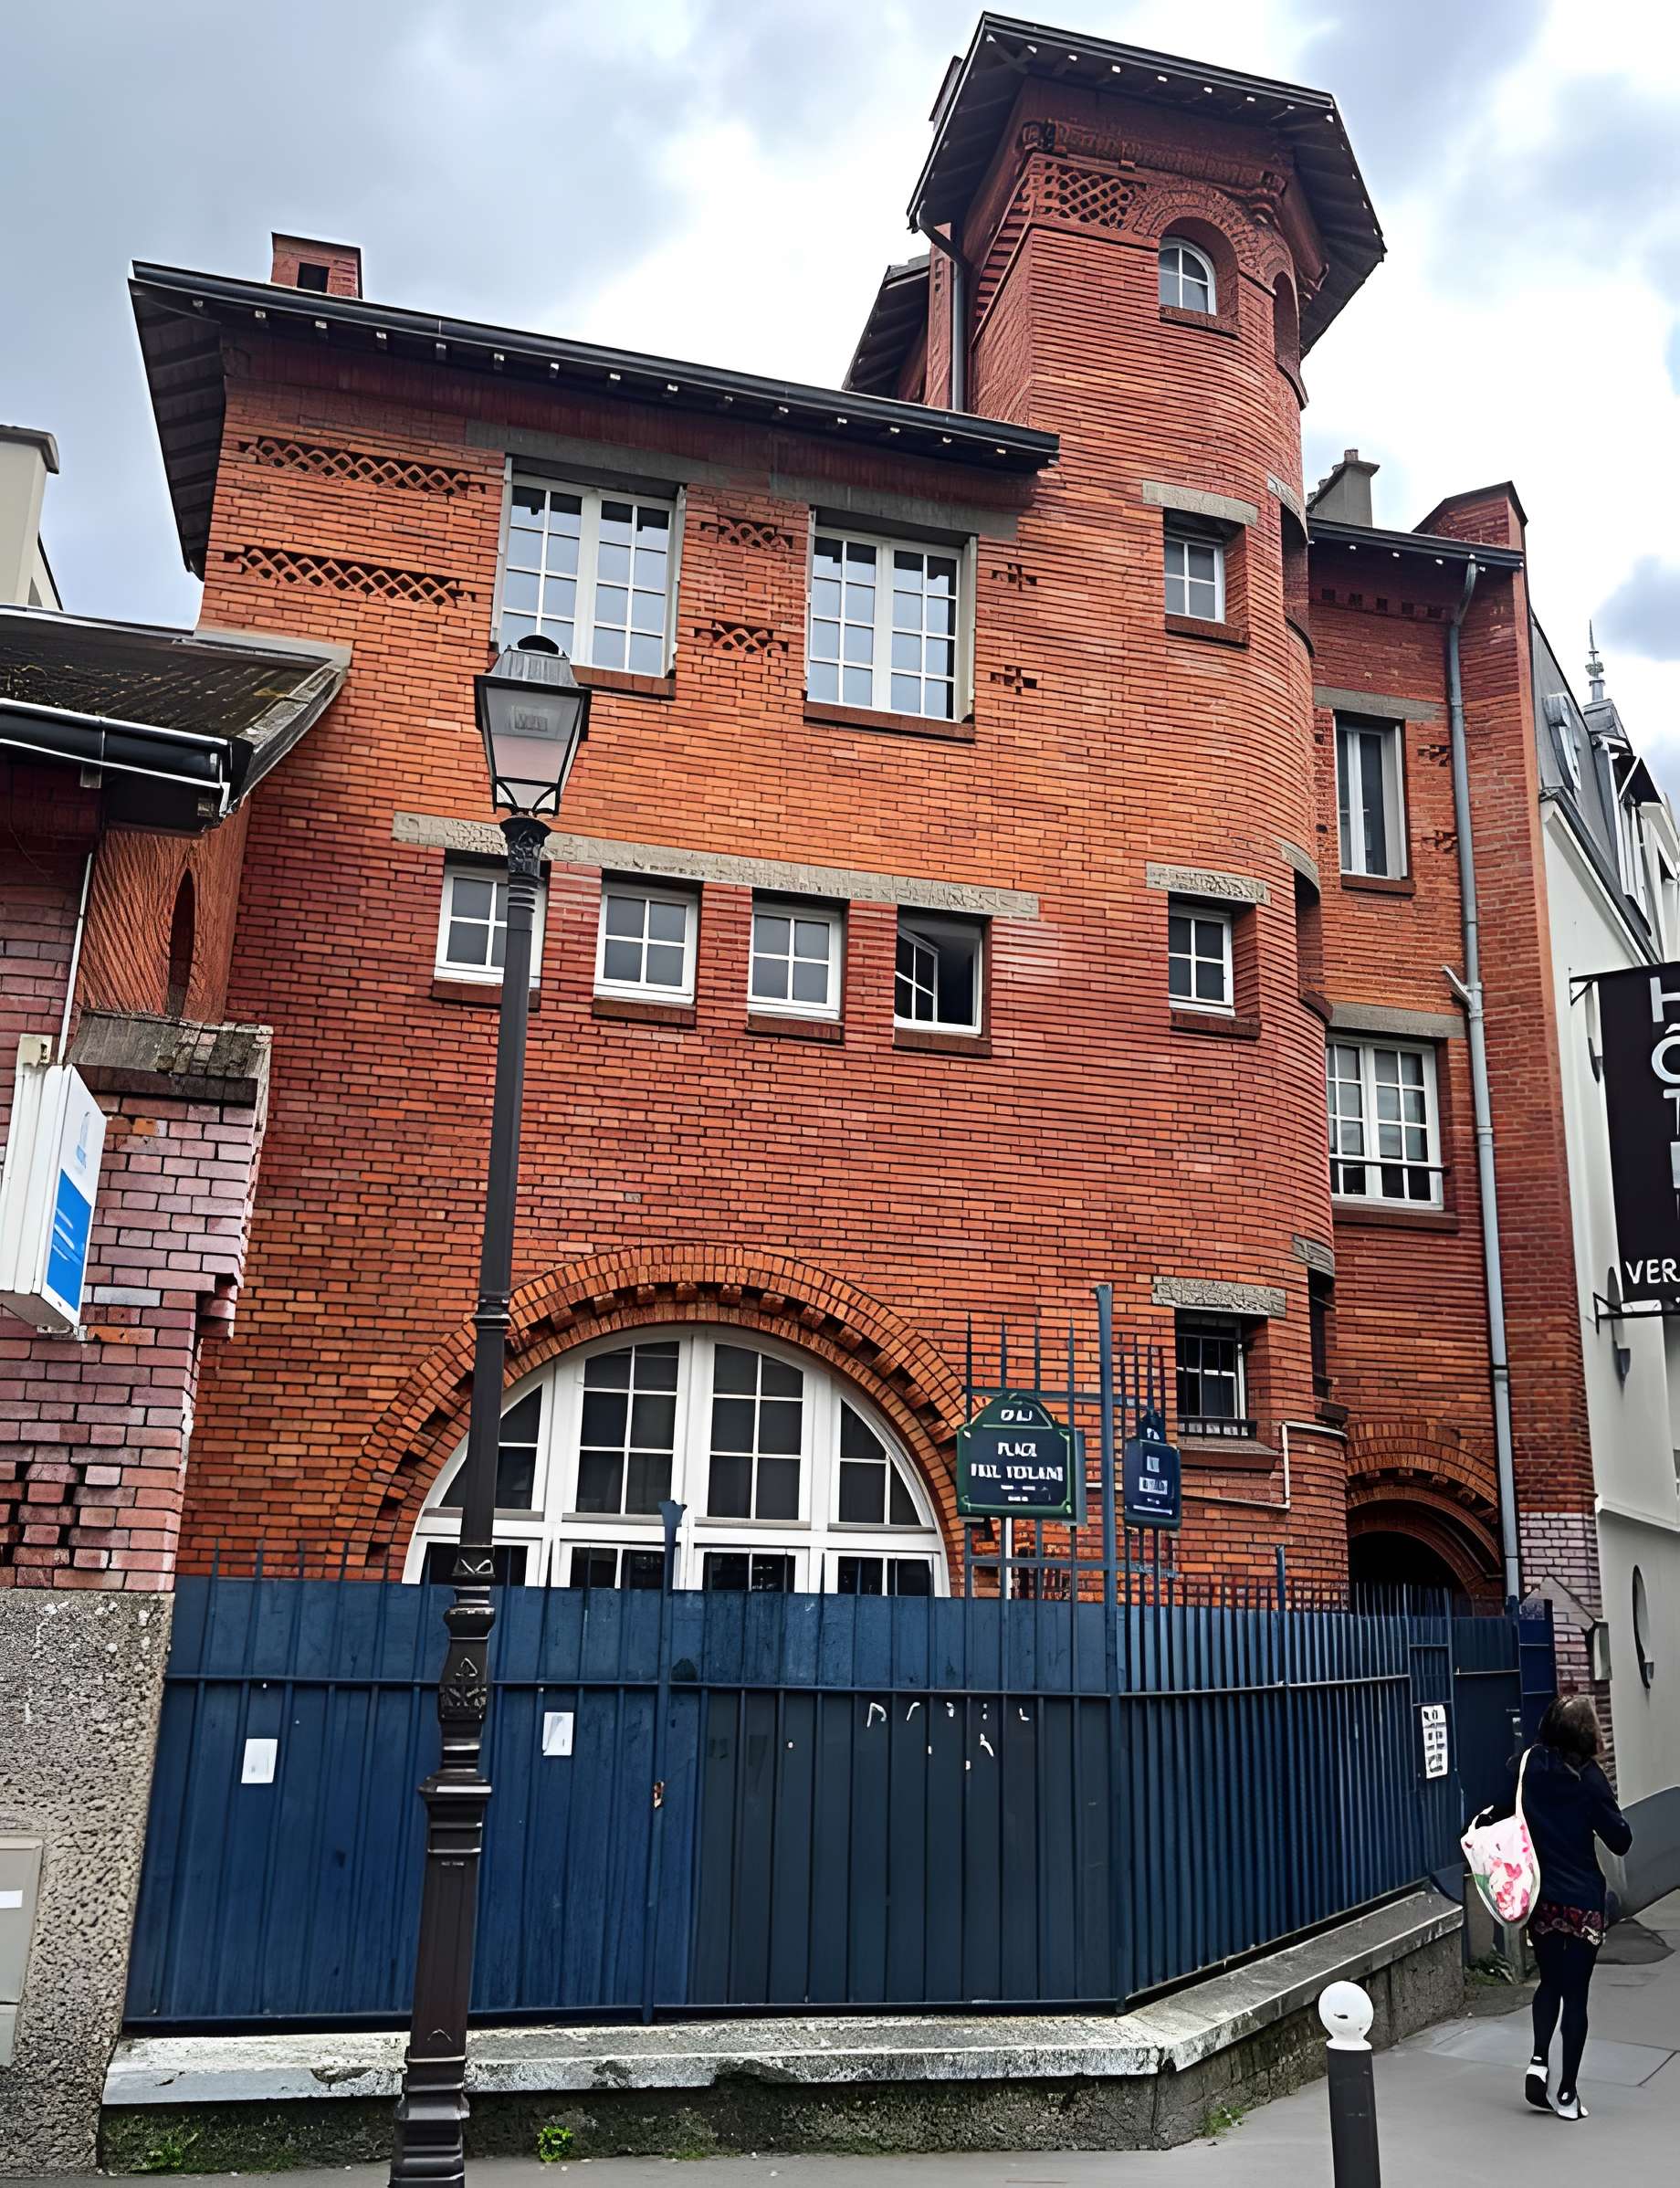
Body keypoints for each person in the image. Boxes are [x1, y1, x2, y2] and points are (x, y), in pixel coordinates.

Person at [1501, 1695, 1632, 2120]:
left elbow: (1504, 1811)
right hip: (1581, 1902)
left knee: (1549, 1983)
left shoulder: (1528, 1766)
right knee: (1576, 1997)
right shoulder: (1590, 1779)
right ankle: (1567, 2094)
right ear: (1588, 1735)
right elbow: (1620, 1840)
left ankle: (1539, 2060)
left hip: (1542, 1898)